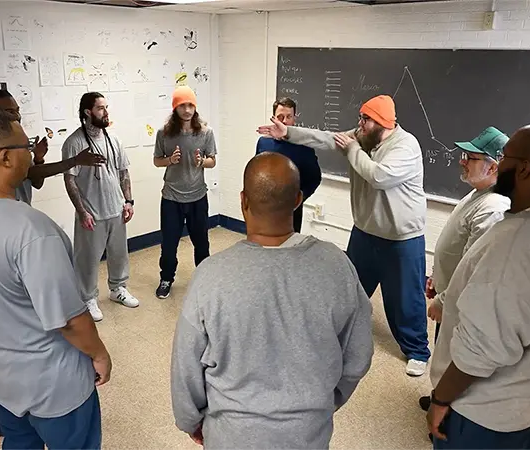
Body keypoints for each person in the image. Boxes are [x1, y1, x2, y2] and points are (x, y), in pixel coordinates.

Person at [0, 107, 112, 449]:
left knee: (18, 441)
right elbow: (69, 320)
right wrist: (100, 354)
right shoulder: (30, 230)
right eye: (25, 145)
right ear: (3, 157)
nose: (31, 152)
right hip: (51, 386)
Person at [170, 152, 374, 449]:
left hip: (231, 435)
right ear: (298, 200)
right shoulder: (337, 266)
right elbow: (358, 357)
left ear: (243, 201)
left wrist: (190, 420)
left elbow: (185, 364)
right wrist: (320, 405)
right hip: (308, 435)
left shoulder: (211, 275)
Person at [426, 125, 530, 449]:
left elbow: (483, 349)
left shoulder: (515, 245)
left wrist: (440, 398)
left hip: (487, 415)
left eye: (504, 157)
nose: (498, 163)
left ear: (525, 168)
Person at [258, 94, 430, 376]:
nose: (359, 124)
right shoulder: (363, 137)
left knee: (406, 298)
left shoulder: (405, 146)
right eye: (360, 118)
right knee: (351, 288)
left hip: (401, 238)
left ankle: (417, 351)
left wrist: (351, 149)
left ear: (383, 123)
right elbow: (325, 139)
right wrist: (287, 132)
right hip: (365, 232)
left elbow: (379, 177)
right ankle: (344, 335)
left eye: (366, 119)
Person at [418, 126, 511, 413]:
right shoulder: (478, 194)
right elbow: (455, 245)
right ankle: (439, 396)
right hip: (450, 292)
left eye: (470, 157)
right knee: (444, 351)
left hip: (460, 302)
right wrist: (437, 276)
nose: (462, 161)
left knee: (453, 356)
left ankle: (447, 412)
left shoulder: (493, 207)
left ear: (493, 166)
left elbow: (474, 265)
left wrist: (444, 300)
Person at [0, 89, 105, 204]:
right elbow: (28, 173)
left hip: (18, 209)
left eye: (17, 110)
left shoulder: (17, 141)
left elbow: (36, 182)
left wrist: (38, 158)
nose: (17, 116)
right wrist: (74, 161)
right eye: (9, 111)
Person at [63, 92, 139, 321]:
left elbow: (124, 172)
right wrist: (82, 211)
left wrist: (128, 201)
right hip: (91, 214)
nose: (106, 113)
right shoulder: (73, 143)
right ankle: (87, 298)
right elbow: (70, 180)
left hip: (115, 208)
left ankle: (118, 289)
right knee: (87, 259)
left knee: (119, 254)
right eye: (101, 108)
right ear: (88, 112)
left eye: (106, 108)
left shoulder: (113, 139)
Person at [152, 86, 217, 299]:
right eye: (182, 105)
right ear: (175, 108)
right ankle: (166, 278)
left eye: (190, 105)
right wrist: (169, 160)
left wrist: (202, 162)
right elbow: (156, 161)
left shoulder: (206, 132)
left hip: (198, 195)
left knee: (201, 241)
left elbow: (212, 161)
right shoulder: (164, 133)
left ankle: (204, 276)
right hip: (171, 197)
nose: (187, 110)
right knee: (169, 242)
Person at [255, 97, 321, 232]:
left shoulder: (304, 147)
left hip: (291, 210)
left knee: (289, 248)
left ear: (294, 118)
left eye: (289, 117)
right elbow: (257, 172)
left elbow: (314, 178)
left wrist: (299, 198)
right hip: (265, 206)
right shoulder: (263, 142)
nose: (285, 121)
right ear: (273, 118)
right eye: (280, 117)